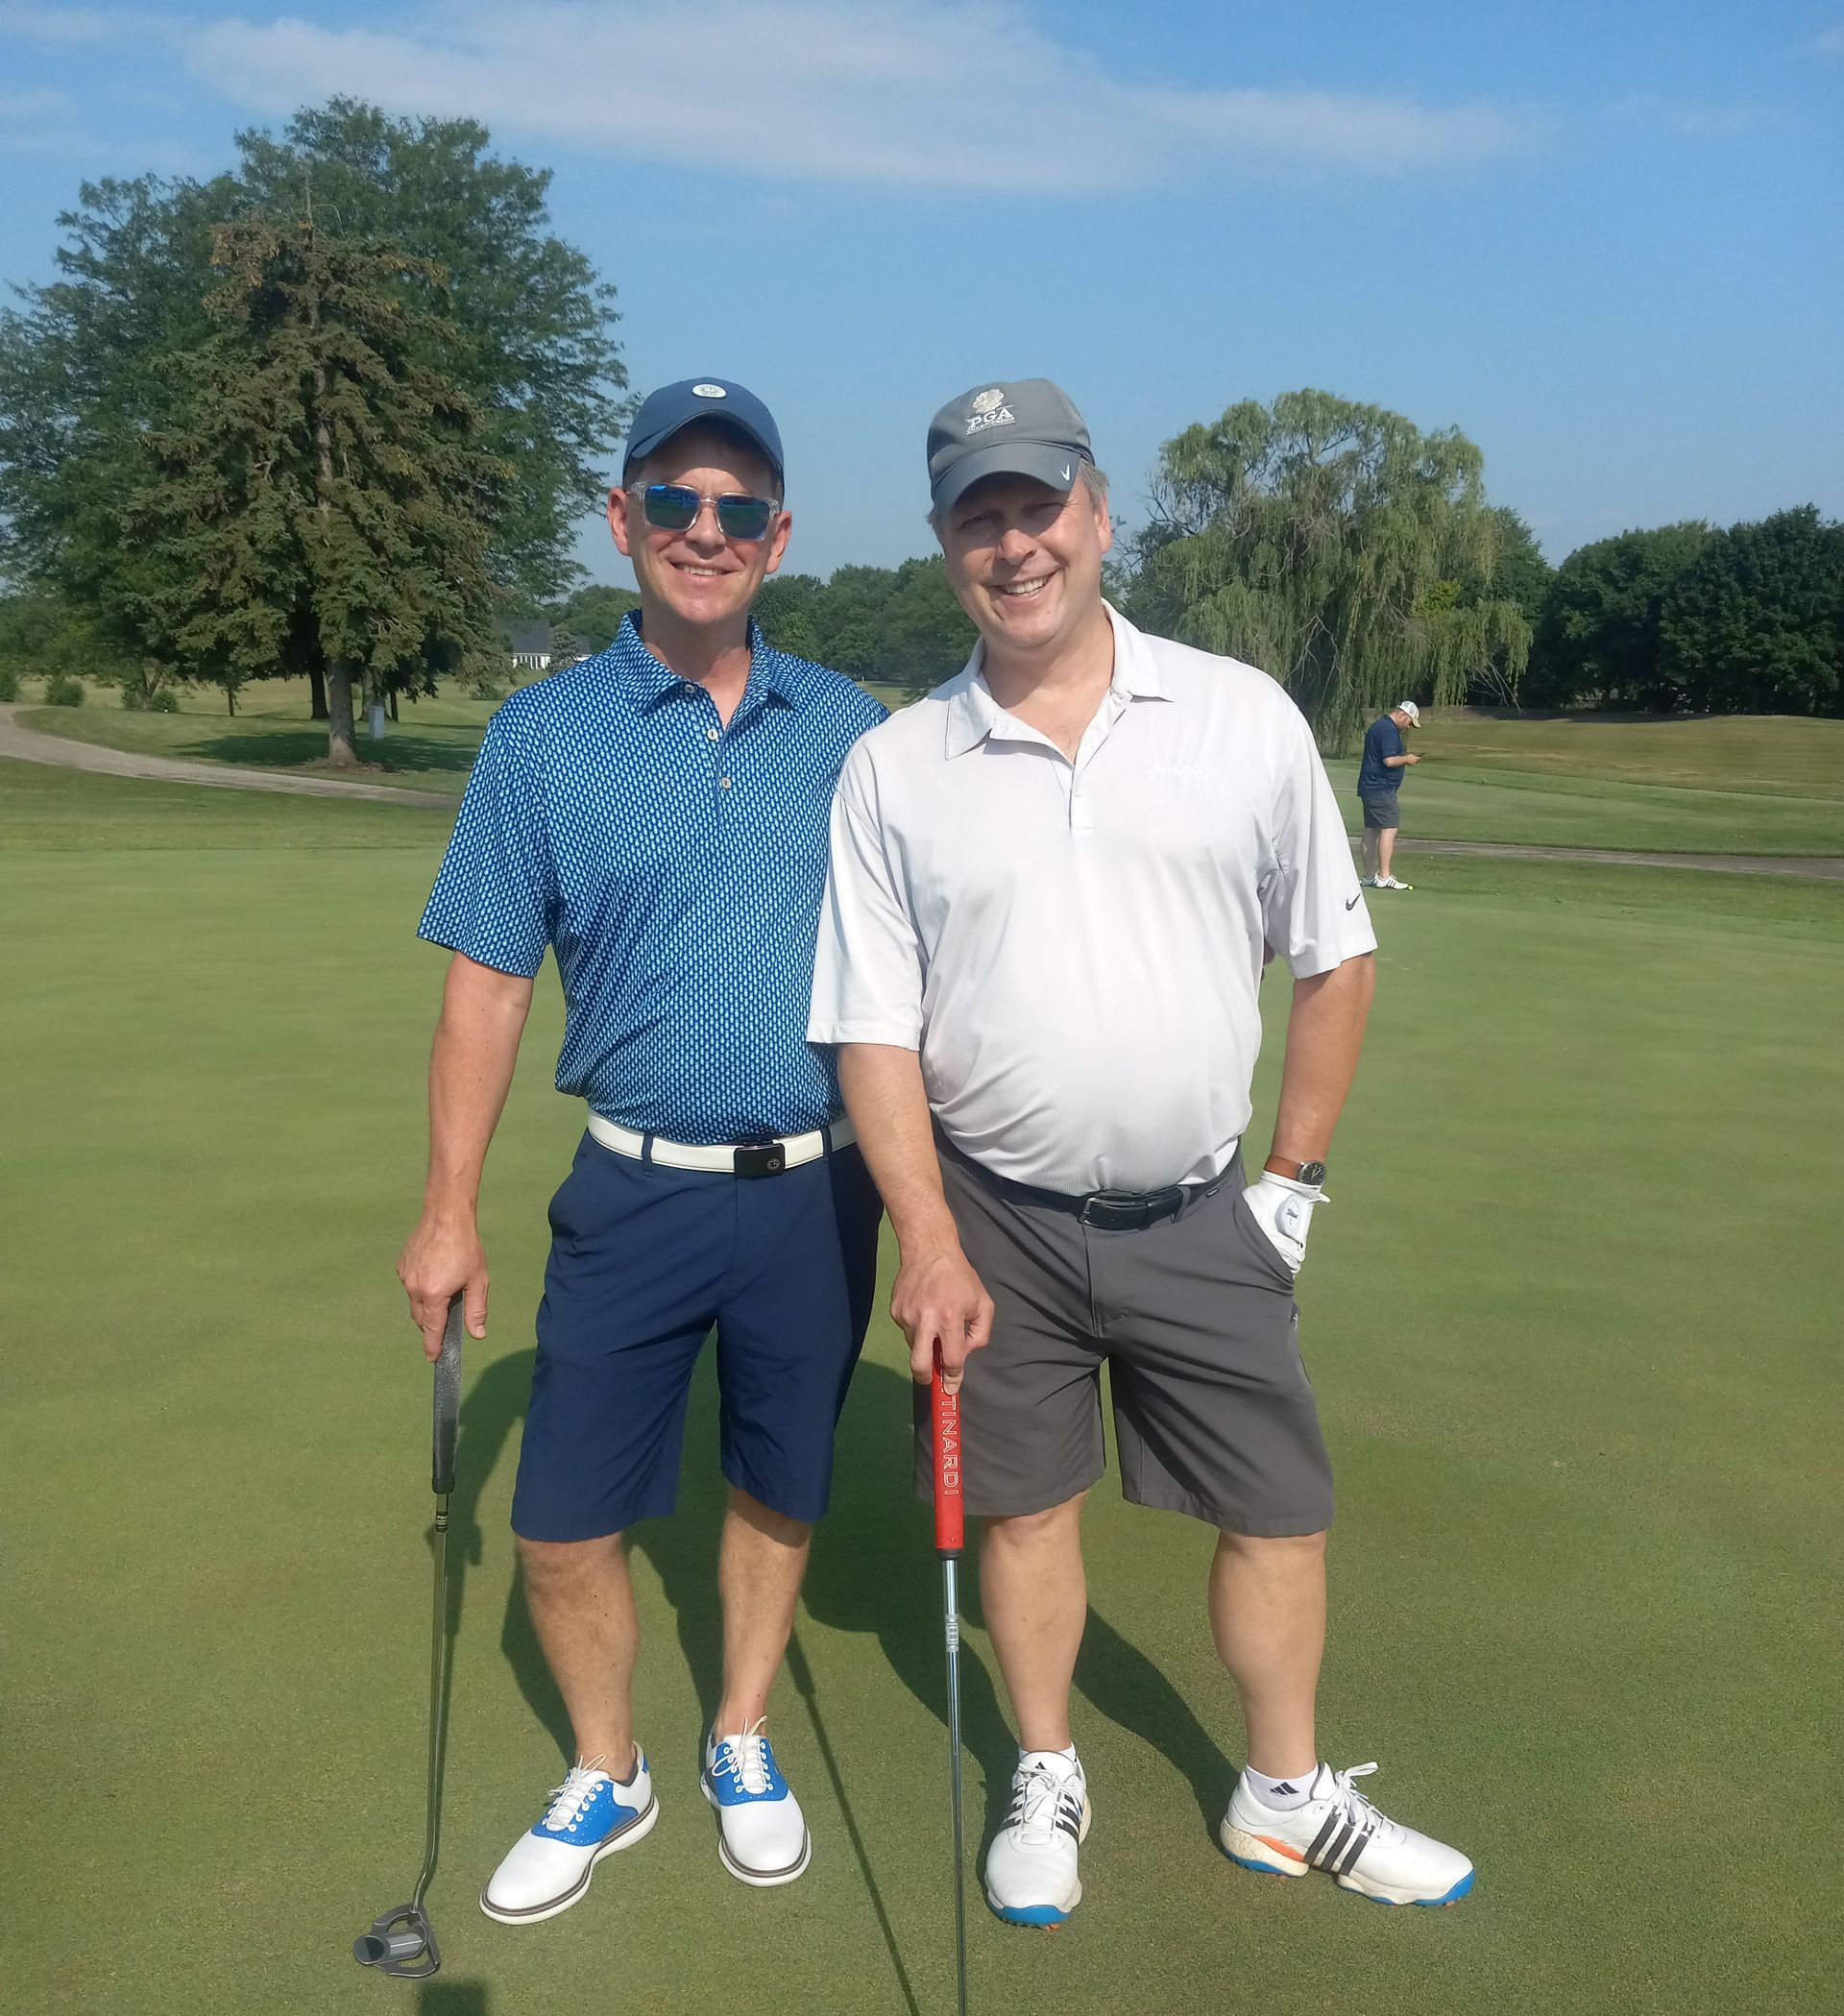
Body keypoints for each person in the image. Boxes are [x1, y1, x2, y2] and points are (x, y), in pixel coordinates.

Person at [809, 378, 1471, 1924]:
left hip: (1203, 1215)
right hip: (995, 1217)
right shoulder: (897, 766)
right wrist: (930, 1234)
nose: (1015, 541)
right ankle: (1048, 1766)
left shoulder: (1239, 716)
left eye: (1040, 505)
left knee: (1279, 1510)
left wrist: (1291, 1190)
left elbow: (1335, 957)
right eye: (980, 514)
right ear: (942, 543)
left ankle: (1284, 1795)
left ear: (1099, 516)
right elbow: (871, 1031)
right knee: (1024, 1511)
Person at [399, 378, 885, 1923]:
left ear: (779, 538)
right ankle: (610, 1771)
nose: (704, 531)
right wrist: (448, 1209)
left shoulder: (854, 730)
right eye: (672, 501)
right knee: (559, 1526)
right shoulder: (542, 735)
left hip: (818, 1191)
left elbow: (929, 969)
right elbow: (487, 982)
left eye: (738, 509)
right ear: (622, 520)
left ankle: (739, 1730)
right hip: (630, 1186)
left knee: (776, 1485)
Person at [1357, 699, 1421, 888]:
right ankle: (1384, 876)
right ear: (1402, 715)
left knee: (1372, 829)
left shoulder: (1381, 726)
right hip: (1381, 788)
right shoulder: (1388, 730)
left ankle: (1369, 876)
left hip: (1370, 787)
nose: (1408, 727)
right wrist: (1407, 759)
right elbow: (1389, 761)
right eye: (1409, 722)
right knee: (1389, 828)